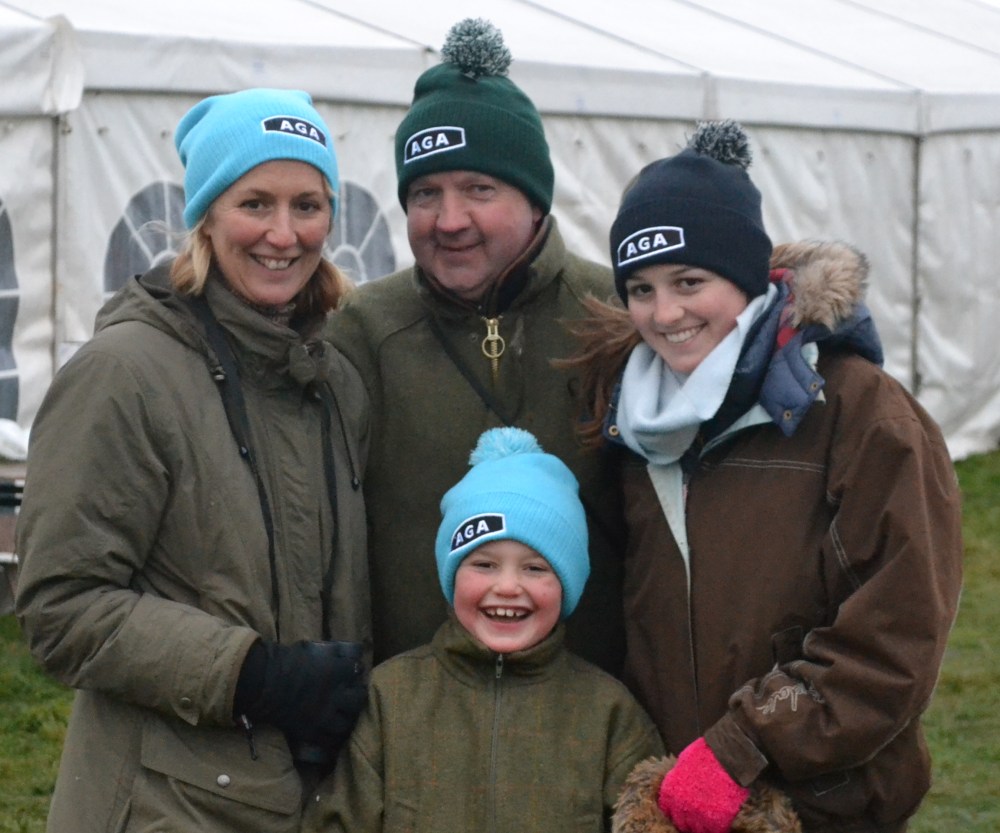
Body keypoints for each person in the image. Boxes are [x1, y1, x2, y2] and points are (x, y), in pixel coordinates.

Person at [567, 121, 963, 833]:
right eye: (641, 288)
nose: (666, 314)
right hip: (676, 806)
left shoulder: (860, 411)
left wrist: (741, 746)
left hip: (825, 810)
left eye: (690, 282)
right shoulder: (630, 420)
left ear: (747, 277)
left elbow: (895, 638)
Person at [14, 88, 371, 833]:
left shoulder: (331, 379)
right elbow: (60, 603)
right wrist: (250, 675)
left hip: (299, 799)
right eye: (254, 203)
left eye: (308, 204)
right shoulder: (126, 372)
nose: (283, 232)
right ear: (205, 214)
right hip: (160, 804)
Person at [325, 17, 627, 677]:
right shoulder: (361, 331)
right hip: (411, 716)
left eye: (479, 190)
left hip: (595, 716)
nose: (449, 219)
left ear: (535, 199)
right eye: (426, 193)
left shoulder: (618, 317)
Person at [302, 426, 664, 833]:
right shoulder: (392, 697)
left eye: (535, 568)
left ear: (568, 584)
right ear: (452, 576)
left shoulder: (610, 714)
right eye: (484, 564)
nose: (507, 587)